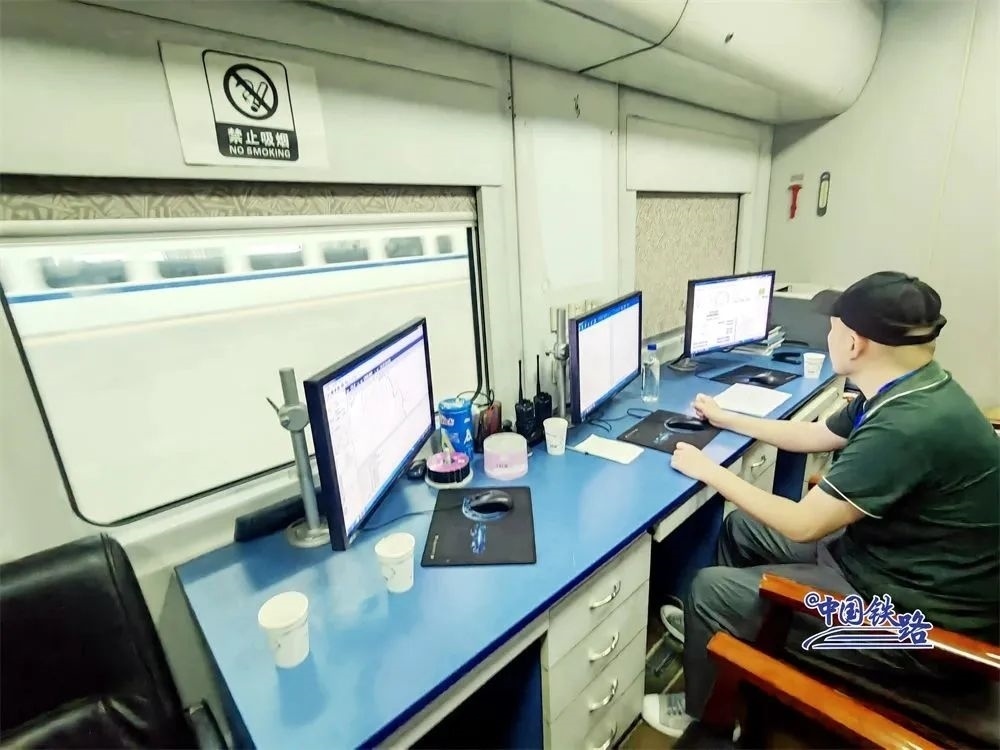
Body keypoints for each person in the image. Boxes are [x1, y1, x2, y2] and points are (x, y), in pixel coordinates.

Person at [642, 271, 1000, 738]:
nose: (828, 337)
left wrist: (709, 470)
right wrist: (726, 417)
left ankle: (711, 716)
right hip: (884, 564)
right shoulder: (909, 387)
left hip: (913, 627)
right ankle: (730, 650)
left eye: (832, 329)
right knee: (741, 528)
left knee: (710, 590)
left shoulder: (905, 426)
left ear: (854, 343)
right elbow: (813, 434)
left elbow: (802, 524)